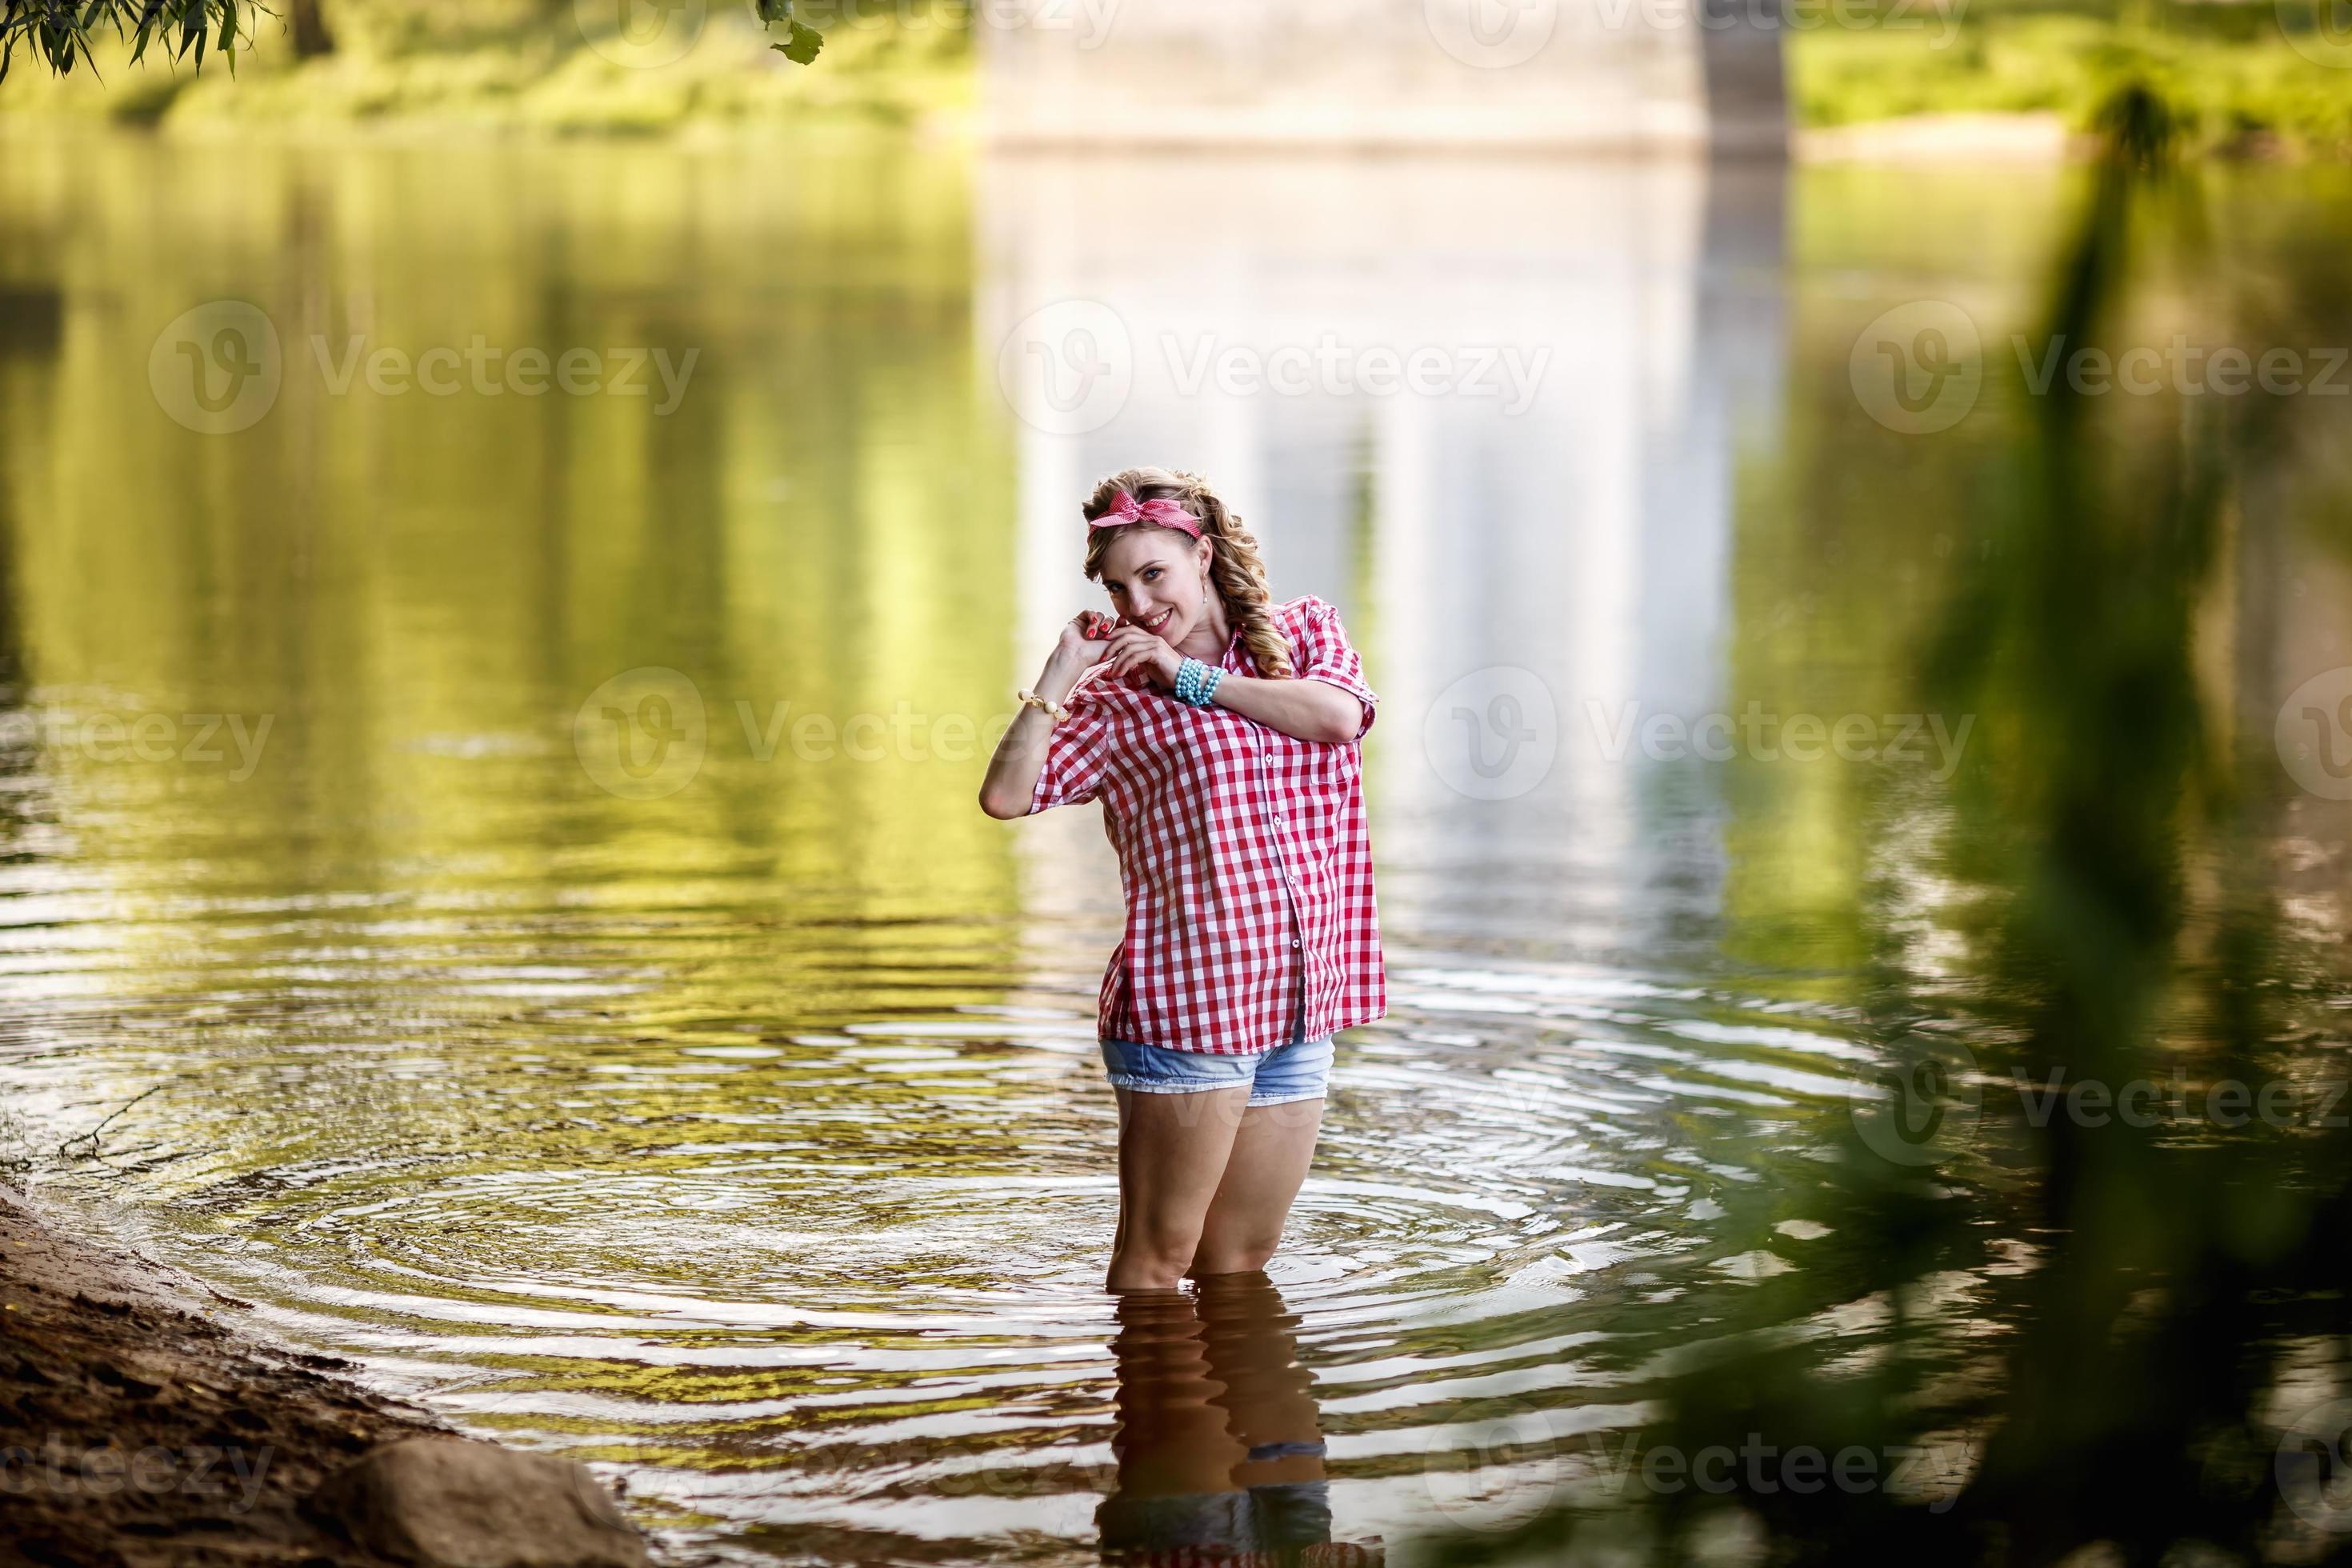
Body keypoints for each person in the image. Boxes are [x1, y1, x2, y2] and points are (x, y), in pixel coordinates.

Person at [978, 466, 1387, 1292]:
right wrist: (1061, 674)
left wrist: (1189, 678)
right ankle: (1162, 1416)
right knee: (1158, 1261)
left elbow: (1340, 718)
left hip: (1299, 1006)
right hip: (1188, 1012)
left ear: (1201, 554)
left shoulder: (1305, 636)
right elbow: (1005, 796)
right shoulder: (1116, 699)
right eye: (1118, 586)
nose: (1137, 604)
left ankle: (1246, 1423)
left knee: (1238, 1263)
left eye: (1153, 573)